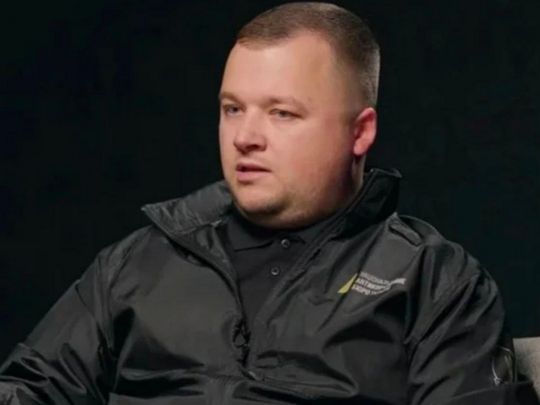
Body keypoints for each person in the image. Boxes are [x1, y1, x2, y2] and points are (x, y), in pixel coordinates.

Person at [0, 2, 537, 404]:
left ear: (360, 132)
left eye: (282, 113)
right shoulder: (139, 262)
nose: (245, 138)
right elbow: (31, 388)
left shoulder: (435, 282)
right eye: (233, 109)